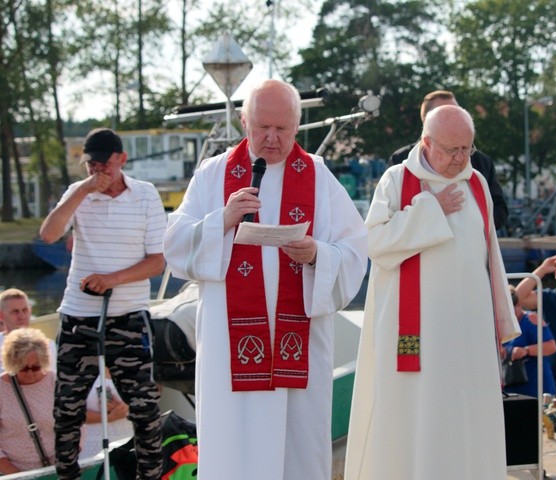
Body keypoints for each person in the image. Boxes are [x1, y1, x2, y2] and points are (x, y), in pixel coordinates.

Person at [163, 79, 368, 480]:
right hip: (229, 346)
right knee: (234, 445)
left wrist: (316, 255)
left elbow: (355, 250)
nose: (272, 138)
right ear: (244, 121)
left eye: (283, 128)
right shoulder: (213, 174)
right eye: (262, 127)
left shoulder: (318, 176)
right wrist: (221, 219)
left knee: (298, 446)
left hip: (298, 346)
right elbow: (173, 247)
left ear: (297, 124)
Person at [344, 105, 519, 480]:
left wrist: (501, 321)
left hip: (469, 332)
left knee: (467, 418)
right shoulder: (396, 180)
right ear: (426, 142)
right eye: (451, 149)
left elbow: (491, 255)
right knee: (417, 416)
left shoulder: (477, 183)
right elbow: (373, 242)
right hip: (413, 336)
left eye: (467, 149)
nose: (460, 159)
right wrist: (429, 210)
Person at [39, 127, 166, 480]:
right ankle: (68, 477)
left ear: (121, 159)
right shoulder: (79, 194)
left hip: (128, 315)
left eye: (104, 164)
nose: (97, 171)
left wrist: (111, 279)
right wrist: (82, 190)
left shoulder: (145, 195)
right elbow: (49, 234)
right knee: (66, 410)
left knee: (144, 408)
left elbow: (157, 261)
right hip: (79, 315)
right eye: (90, 165)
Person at [388, 90, 509, 233]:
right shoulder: (401, 161)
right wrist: (431, 210)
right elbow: (388, 223)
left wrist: (467, 221)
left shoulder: (480, 162)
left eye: (456, 111)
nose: (459, 157)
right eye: (444, 112)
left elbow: (499, 210)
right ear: (427, 120)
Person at [514, 253, 556, 398]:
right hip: (551, 374)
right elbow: (517, 298)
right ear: (555, 273)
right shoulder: (546, 297)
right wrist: (543, 269)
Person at [0, 328, 56, 473]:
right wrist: (17, 475)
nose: (30, 373)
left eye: (36, 367)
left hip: (59, 470)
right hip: (15, 473)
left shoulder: (55, 381)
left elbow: (77, 424)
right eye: (23, 368)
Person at [503, 286, 556, 398]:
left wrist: (526, 350)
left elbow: (551, 347)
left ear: (518, 305)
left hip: (535, 387)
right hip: (508, 389)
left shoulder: (531, 320)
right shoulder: (497, 325)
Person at [0, 288, 56, 374]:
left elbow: (51, 378)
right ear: (1, 315)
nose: (22, 316)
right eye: (15, 312)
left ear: (30, 311)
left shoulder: (47, 345)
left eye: (25, 310)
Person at [80, 368, 132, 458]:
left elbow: (153, 396)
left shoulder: (136, 365)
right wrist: (109, 417)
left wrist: (128, 407)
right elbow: (69, 412)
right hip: (90, 451)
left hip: (128, 447)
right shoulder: (78, 370)